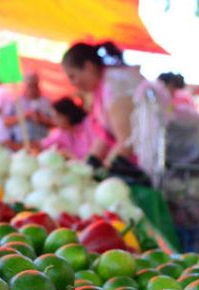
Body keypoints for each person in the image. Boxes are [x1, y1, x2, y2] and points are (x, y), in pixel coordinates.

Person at [61, 41, 150, 183]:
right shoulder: (100, 88)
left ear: (88, 67)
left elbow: (127, 141)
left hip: (145, 168)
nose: (72, 83)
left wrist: (101, 175)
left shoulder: (116, 84)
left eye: (72, 76)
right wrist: (88, 166)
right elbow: (104, 136)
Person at [3, 72, 54, 148]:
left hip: (41, 144)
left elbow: (55, 124)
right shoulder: (16, 101)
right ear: (25, 85)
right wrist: (25, 116)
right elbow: (6, 122)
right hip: (20, 144)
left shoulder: (46, 102)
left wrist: (42, 119)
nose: (33, 88)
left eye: (35, 85)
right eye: (30, 85)